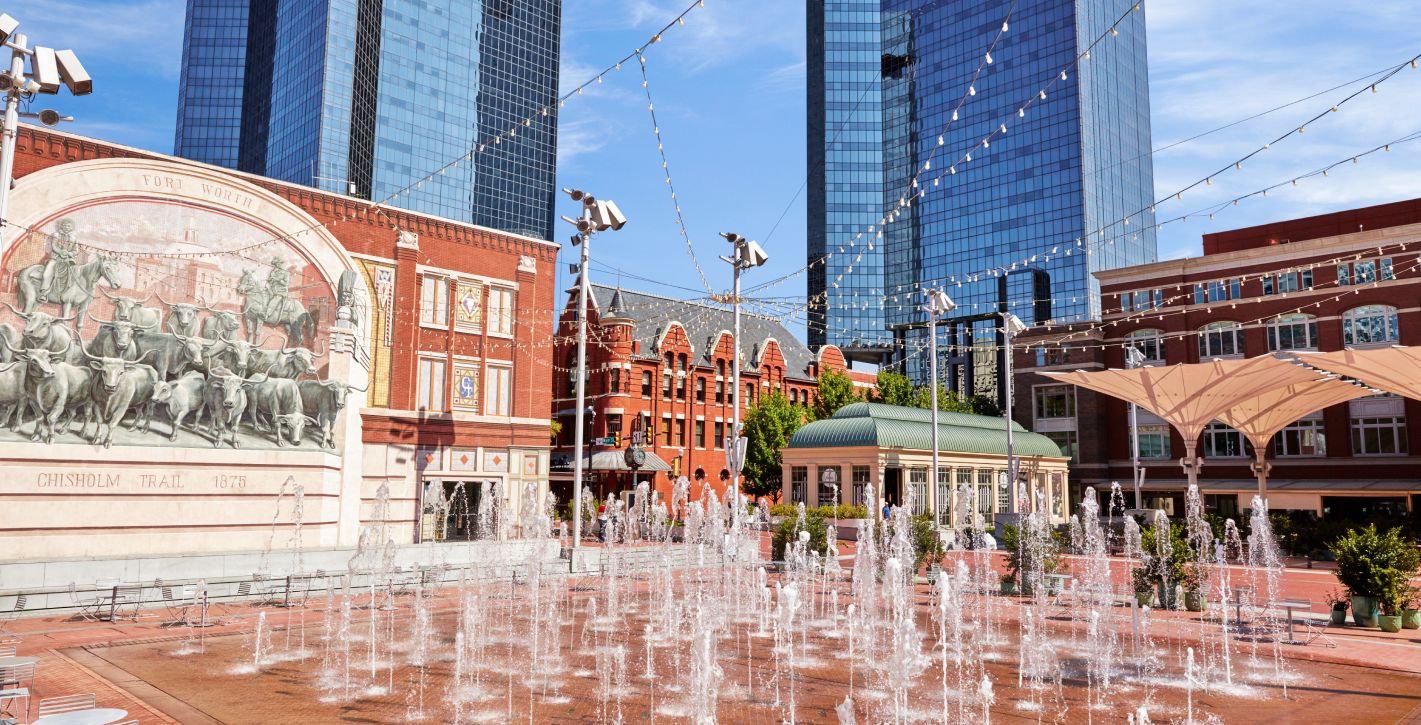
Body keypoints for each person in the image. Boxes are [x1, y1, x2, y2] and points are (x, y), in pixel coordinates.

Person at [38, 217, 80, 303]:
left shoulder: (73, 238)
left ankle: (71, 294)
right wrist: (61, 252)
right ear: (61, 226)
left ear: (71, 227)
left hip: (68, 260)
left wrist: (69, 254)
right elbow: (54, 246)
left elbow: (76, 250)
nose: (66, 227)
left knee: (77, 274)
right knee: (47, 273)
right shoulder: (56, 235)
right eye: (64, 225)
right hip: (55, 258)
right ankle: (44, 293)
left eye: (68, 226)